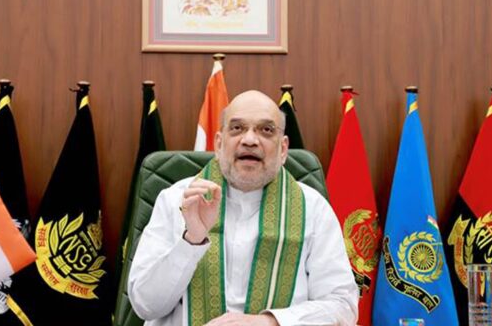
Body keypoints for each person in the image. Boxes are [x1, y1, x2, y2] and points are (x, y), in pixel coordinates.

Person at [128, 90, 358, 326]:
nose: (249, 140)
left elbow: (343, 306)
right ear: (219, 144)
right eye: (237, 128)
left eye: (266, 130)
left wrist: (268, 322)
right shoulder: (176, 199)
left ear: (283, 149)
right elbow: (145, 305)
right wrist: (191, 241)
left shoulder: (313, 209)